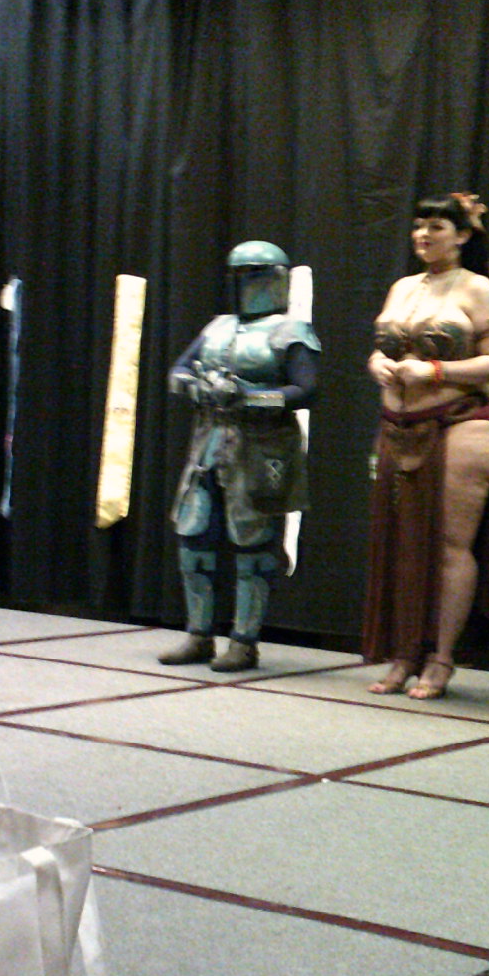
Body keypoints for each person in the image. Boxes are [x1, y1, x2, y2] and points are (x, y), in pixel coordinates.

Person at [361, 193, 489, 699]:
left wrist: (435, 370)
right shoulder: (402, 287)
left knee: (451, 545)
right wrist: (378, 364)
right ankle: (404, 652)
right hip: (397, 428)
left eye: (436, 227)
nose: (423, 235)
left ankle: (441, 658)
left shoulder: (477, 288)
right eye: (418, 226)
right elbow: (380, 349)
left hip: (459, 425)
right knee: (401, 542)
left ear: (463, 235)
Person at [158, 241, 319, 673]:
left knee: (253, 542)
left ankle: (244, 642)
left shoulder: (290, 331)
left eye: (256, 275)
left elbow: (306, 390)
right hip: (209, 443)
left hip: (261, 447)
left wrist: (252, 396)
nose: (248, 284)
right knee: (193, 535)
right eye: (242, 275)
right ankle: (199, 634)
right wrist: (198, 386)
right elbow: (178, 370)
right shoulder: (218, 327)